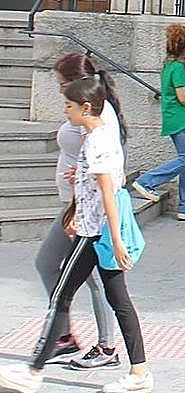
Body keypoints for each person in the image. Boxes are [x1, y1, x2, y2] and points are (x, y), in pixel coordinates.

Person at [0, 77, 153, 393]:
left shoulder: (96, 140)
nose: (66, 113)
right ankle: (139, 373)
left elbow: (109, 193)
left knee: (61, 296)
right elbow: (109, 180)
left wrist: (115, 238)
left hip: (93, 233)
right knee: (118, 300)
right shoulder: (103, 135)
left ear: (86, 108)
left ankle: (32, 371)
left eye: (68, 107)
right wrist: (79, 175)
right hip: (97, 232)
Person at [32, 53, 128, 371]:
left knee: (87, 278)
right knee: (72, 273)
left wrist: (79, 207)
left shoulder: (99, 119)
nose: (61, 94)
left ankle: (100, 346)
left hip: (86, 212)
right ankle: (71, 338)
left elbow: (108, 172)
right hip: (78, 207)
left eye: (63, 86)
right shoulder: (92, 113)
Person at [130, 24, 185, 222]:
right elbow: (182, 97)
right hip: (181, 118)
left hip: (179, 118)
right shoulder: (179, 68)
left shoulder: (170, 66)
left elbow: (176, 90)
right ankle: (146, 181)